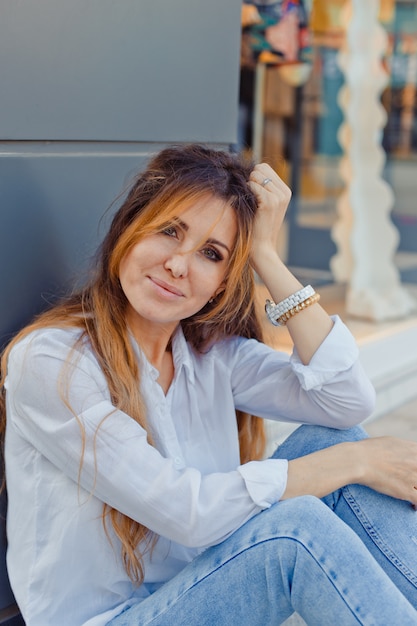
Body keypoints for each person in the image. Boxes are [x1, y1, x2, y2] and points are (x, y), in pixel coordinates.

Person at [1, 144, 417, 626]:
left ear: (221, 284)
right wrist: (356, 462)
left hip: (197, 586)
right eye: (169, 230)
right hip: (110, 620)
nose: (179, 264)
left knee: (332, 441)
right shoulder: (54, 361)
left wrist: (264, 255)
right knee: (298, 526)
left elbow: (346, 401)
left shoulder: (209, 356)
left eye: (211, 253)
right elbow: (185, 511)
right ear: (130, 231)